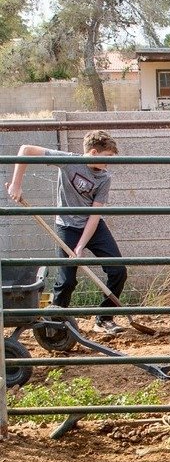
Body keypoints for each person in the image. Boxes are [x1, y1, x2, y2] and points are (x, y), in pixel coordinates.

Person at [6, 131, 128, 337]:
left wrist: (80, 246)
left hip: (93, 226)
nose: (109, 163)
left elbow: (95, 214)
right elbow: (25, 150)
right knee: (67, 280)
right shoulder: (68, 161)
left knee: (118, 271)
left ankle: (104, 318)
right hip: (66, 226)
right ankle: (55, 326)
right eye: (107, 157)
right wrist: (17, 184)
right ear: (93, 152)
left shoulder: (105, 177)